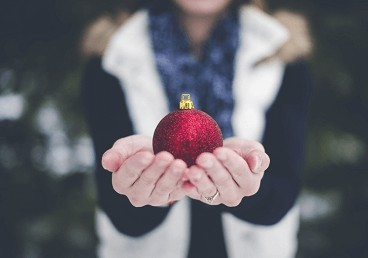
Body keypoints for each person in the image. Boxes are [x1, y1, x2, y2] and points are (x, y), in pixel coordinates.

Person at [80, 0, 312, 257]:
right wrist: (148, 191)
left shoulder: (282, 50)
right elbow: (119, 210)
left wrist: (247, 188)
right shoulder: (112, 54)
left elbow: (284, 188)